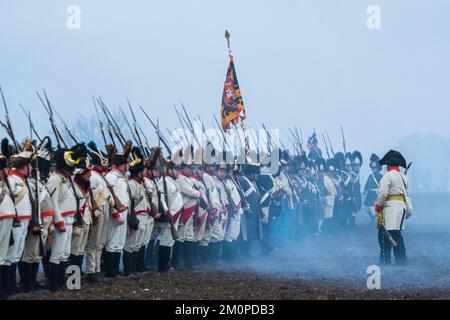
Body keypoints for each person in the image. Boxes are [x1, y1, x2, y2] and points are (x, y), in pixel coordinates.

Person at [47, 143, 88, 291]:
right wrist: (58, 221)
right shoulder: (55, 179)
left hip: (70, 220)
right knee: (57, 253)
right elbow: (53, 202)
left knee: (65, 254)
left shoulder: (67, 178)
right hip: (61, 221)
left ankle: (63, 282)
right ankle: (54, 284)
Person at [374, 150, 411, 265]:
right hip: (400, 207)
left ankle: (385, 261)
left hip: (390, 208)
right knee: (396, 235)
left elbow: (383, 194)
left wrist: (378, 206)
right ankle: (401, 260)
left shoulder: (387, 176)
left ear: (388, 165)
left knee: (385, 235)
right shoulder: (404, 177)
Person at [0, 138, 15, 299]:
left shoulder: (5, 183)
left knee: (4, 255)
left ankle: (5, 287)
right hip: (2, 219)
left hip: (7, 218)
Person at [362, 154, 383, 224]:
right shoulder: (370, 176)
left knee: (373, 209)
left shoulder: (381, 176)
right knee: (364, 207)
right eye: (372, 167)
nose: (373, 169)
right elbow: (367, 184)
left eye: (374, 167)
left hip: (376, 193)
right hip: (369, 193)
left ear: (377, 167)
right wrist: (364, 191)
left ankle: (376, 219)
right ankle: (373, 217)